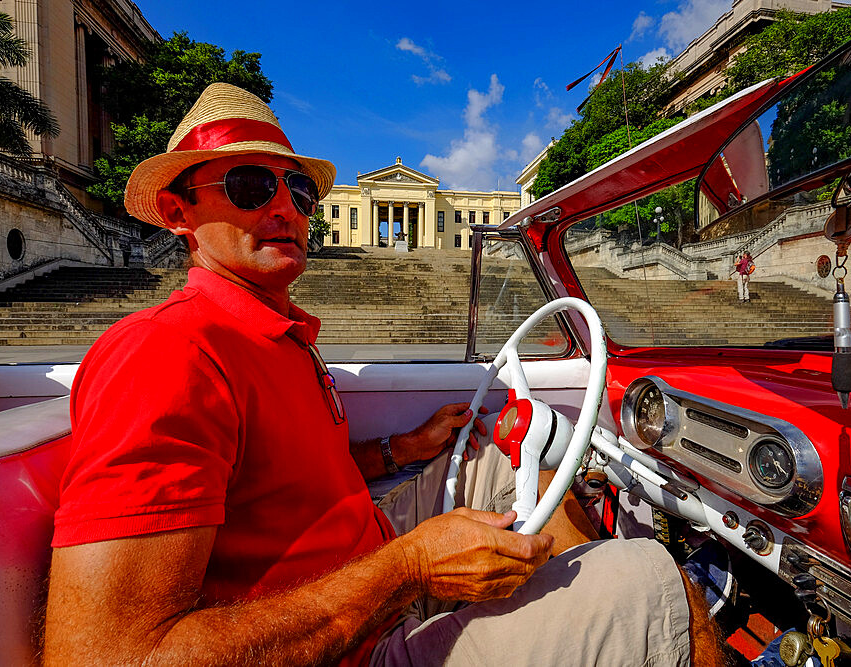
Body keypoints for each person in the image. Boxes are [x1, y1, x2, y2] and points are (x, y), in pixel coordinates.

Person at [43, 84, 723, 666]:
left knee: (507, 461)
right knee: (660, 583)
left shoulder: (279, 336)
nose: (286, 209)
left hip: (361, 568)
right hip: (344, 640)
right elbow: (109, 656)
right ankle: (627, 619)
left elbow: (290, 480)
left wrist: (401, 450)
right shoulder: (168, 354)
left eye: (300, 190)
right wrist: (407, 569)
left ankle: (585, 622)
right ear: (177, 211)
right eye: (252, 186)